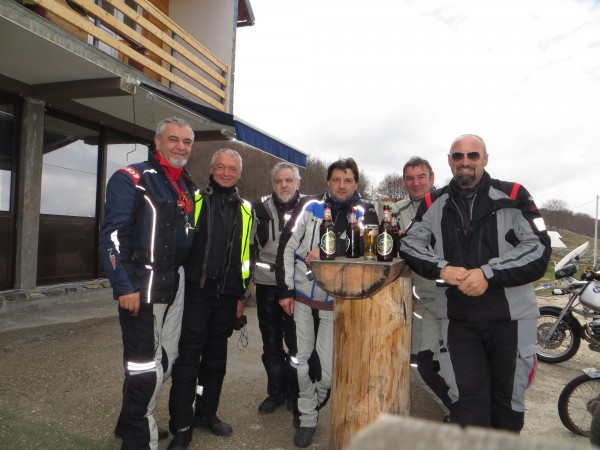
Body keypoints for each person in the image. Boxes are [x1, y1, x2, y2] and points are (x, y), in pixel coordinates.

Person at [399, 134, 551, 432]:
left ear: (485, 159)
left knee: (507, 407)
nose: (465, 162)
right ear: (449, 161)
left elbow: (538, 248)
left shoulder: (514, 194)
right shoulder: (433, 201)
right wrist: (442, 268)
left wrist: (488, 273)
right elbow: (409, 244)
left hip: (509, 319)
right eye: (458, 156)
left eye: (472, 155)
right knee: (467, 406)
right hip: (458, 321)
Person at [99, 117, 196, 449]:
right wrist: (124, 286)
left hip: (175, 285)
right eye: (173, 139)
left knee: (165, 361)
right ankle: (139, 438)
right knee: (144, 369)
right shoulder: (131, 177)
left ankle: (131, 420)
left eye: (186, 141)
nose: (180, 146)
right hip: (141, 287)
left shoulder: (187, 185)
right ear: (157, 142)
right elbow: (112, 237)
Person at [276, 158, 378, 448]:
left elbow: (369, 247)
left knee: (328, 374)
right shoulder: (309, 206)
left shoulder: (366, 211)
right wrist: (285, 290)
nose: (341, 186)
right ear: (328, 182)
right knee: (301, 361)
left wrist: (329, 249)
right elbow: (286, 247)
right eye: (336, 180)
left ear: (356, 183)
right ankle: (307, 417)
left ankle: (314, 401)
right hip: (302, 298)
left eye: (348, 180)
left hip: (337, 303)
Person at [167, 148, 254, 450]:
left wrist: (242, 294)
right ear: (211, 168)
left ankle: (206, 413)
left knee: (215, 362)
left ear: (240, 173)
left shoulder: (246, 209)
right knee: (187, 361)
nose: (226, 173)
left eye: (232, 168)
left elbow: (247, 255)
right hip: (195, 294)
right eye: (221, 167)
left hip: (227, 297)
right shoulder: (194, 200)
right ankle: (181, 425)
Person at [391, 156, 451, 409]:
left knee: (457, 361)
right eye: (409, 178)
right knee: (420, 362)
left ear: (432, 178)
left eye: (421, 177)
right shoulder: (395, 212)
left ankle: (470, 413)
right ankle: (454, 409)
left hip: (457, 296)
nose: (415, 183)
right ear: (404, 181)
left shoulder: (451, 203)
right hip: (425, 300)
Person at [252, 163, 304, 415]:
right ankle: (276, 392)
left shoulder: (309, 207)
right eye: (279, 181)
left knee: (297, 344)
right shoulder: (258, 208)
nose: (284, 185)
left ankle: (295, 392)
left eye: (289, 181)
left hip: (297, 286)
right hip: (267, 284)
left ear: (297, 183)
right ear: (272, 183)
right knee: (270, 343)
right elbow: (248, 246)